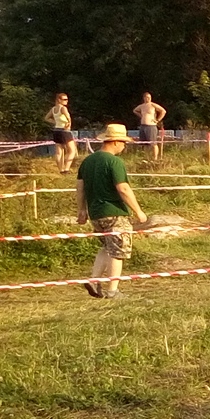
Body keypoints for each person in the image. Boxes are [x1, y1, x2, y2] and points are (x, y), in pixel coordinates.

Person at [76, 124, 148, 299]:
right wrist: (138, 211)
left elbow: (80, 188)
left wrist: (81, 210)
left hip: (96, 213)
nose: (124, 146)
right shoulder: (114, 162)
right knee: (118, 251)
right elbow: (123, 188)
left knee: (107, 247)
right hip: (115, 212)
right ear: (115, 142)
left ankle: (94, 280)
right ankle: (113, 290)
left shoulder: (87, 161)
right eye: (123, 142)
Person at [44, 92, 79, 174]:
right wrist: (69, 124)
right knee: (72, 150)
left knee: (59, 152)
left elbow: (46, 118)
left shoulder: (53, 109)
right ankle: (66, 169)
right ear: (59, 100)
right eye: (64, 99)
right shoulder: (63, 108)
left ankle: (61, 170)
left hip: (56, 131)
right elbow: (68, 117)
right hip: (64, 131)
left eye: (67, 99)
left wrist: (55, 122)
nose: (66, 101)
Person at [133, 92, 167, 162]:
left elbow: (163, 111)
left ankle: (155, 158)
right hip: (143, 126)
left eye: (149, 97)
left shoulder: (153, 105)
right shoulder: (142, 106)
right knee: (145, 144)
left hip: (151, 126)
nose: (148, 99)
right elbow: (135, 110)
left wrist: (157, 120)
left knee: (153, 143)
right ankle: (146, 158)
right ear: (144, 98)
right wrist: (141, 116)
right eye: (147, 97)